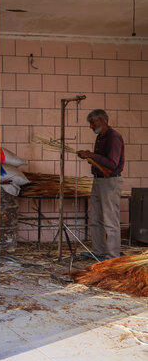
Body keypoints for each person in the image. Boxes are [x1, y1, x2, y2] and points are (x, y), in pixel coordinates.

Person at [77, 109, 124, 259]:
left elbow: (112, 163)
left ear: (102, 120)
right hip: (98, 180)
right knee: (95, 217)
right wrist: (90, 155)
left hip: (110, 181)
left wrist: (91, 155)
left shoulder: (114, 137)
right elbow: (100, 159)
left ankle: (112, 256)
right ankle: (98, 252)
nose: (91, 126)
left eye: (92, 122)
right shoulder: (100, 137)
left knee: (110, 220)